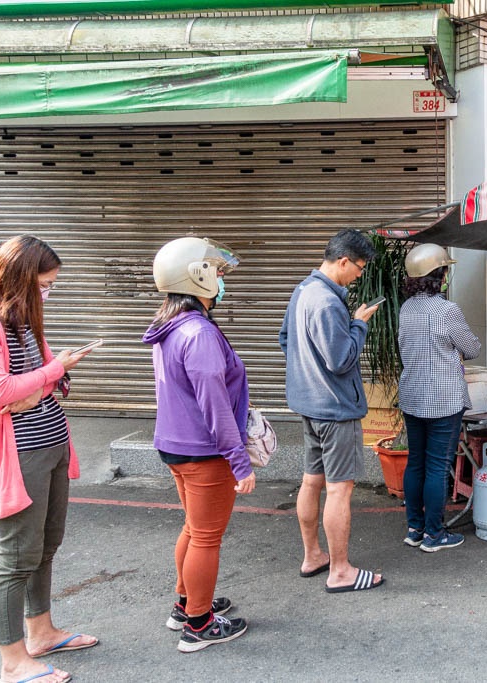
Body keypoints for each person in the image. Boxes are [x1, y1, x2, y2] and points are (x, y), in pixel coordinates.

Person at [0, 235, 98, 683]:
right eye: (44, 285)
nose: (48, 293)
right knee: (14, 559)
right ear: (18, 280)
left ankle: (42, 632)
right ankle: (12, 662)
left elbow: (36, 385)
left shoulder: (25, 318)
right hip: (19, 454)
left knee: (46, 546)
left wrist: (43, 383)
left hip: (50, 442)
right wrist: (52, 372)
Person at [142, 237, 255, 653]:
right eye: (218, 272)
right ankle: (200, 624)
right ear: (199, 276)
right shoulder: (199, 332)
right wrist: (239, 461)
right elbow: (215, 403)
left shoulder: (169, 325)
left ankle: (187, 603)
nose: (222, 280)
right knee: (207, 537)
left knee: (194, 528)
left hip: (176, 444)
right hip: (204, 451)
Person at [280, 229, 384, 592]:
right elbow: (341, 360)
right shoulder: (326, 301)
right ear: (342, 261)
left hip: (308, 404)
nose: (359, 275)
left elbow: (285, 341)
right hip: (335, 409)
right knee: (340, 490)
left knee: (312, 481)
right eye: (358, 267)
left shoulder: (302, 291)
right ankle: (341, 571)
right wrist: (359, 324)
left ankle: (313, 556)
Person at [398, 244, 481, 552]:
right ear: (438, 275)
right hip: (443, 401)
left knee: (416, 462)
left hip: (411, 396)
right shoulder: (447, 310)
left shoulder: (406, 309)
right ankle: (434, 534)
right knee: (437, 465)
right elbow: (471, 349)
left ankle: (415, 528)